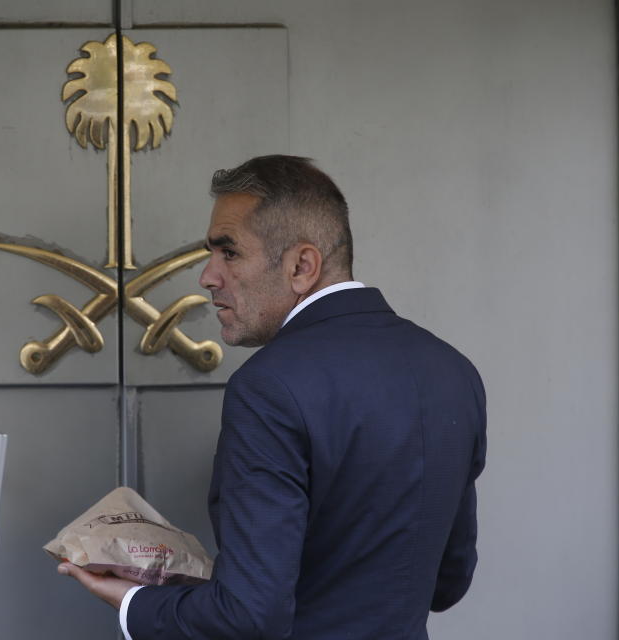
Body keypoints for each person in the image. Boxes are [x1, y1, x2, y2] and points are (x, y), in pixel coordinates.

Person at [57, 155, 487, 639]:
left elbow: (248, 617)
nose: (208, 276)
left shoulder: (269, 386)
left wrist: (133, 602)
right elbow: (447, 583)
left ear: (302, 265)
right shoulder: (453, 371)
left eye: (230, 253)